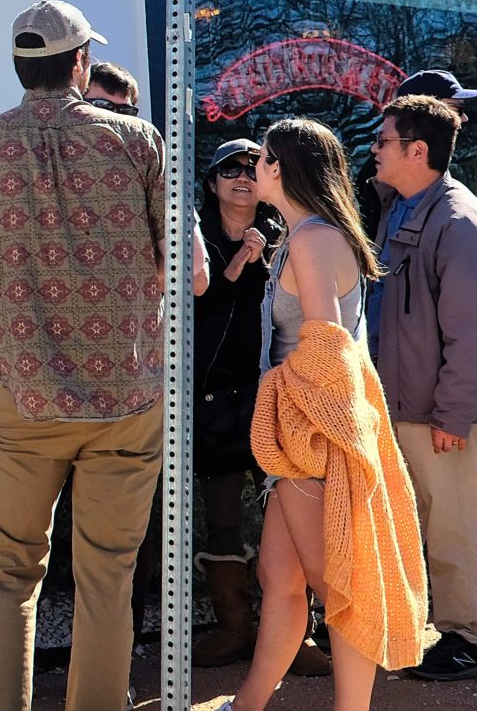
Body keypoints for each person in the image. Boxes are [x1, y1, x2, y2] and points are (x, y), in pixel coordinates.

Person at [0, 0, 198, 711]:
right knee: (108, 579)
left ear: (22, 67)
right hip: (128, 399)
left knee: (9, 575)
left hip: (20, 392)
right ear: (80, 62)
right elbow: (192, 273)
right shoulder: (139, 139)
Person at [229, 118, 426, 710]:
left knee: (340, 589)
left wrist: (287, 418)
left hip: (313, 438)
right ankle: (248, 704)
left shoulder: (312, 240)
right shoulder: (311, 235)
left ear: (283, 167)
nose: (251, 169)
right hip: (311, 436)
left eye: (261, 158)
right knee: (282, 582)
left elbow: (325, 350)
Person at [370, 95, 477, 682]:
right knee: (429, 523)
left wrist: (454, 416)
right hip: (402, 405)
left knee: (455, 524)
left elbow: (471, 331)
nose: (373, 148)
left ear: (418, 151)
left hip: (437, 413)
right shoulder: (402, 207)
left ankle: (468, 639)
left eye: (383, 140)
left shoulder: (458, 220)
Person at [191, 138, 287, 668]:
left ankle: (298, 634)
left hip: (273, 396)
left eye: (253, 167)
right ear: (211, 184)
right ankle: (234, 629)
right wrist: (237, 265)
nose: (243, 177)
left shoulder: (286, 234)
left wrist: (261, 256)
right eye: (229, 169)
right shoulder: (195, 240)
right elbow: (197, 315)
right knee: (223, 518)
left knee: (288, 514)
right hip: (212, 404)